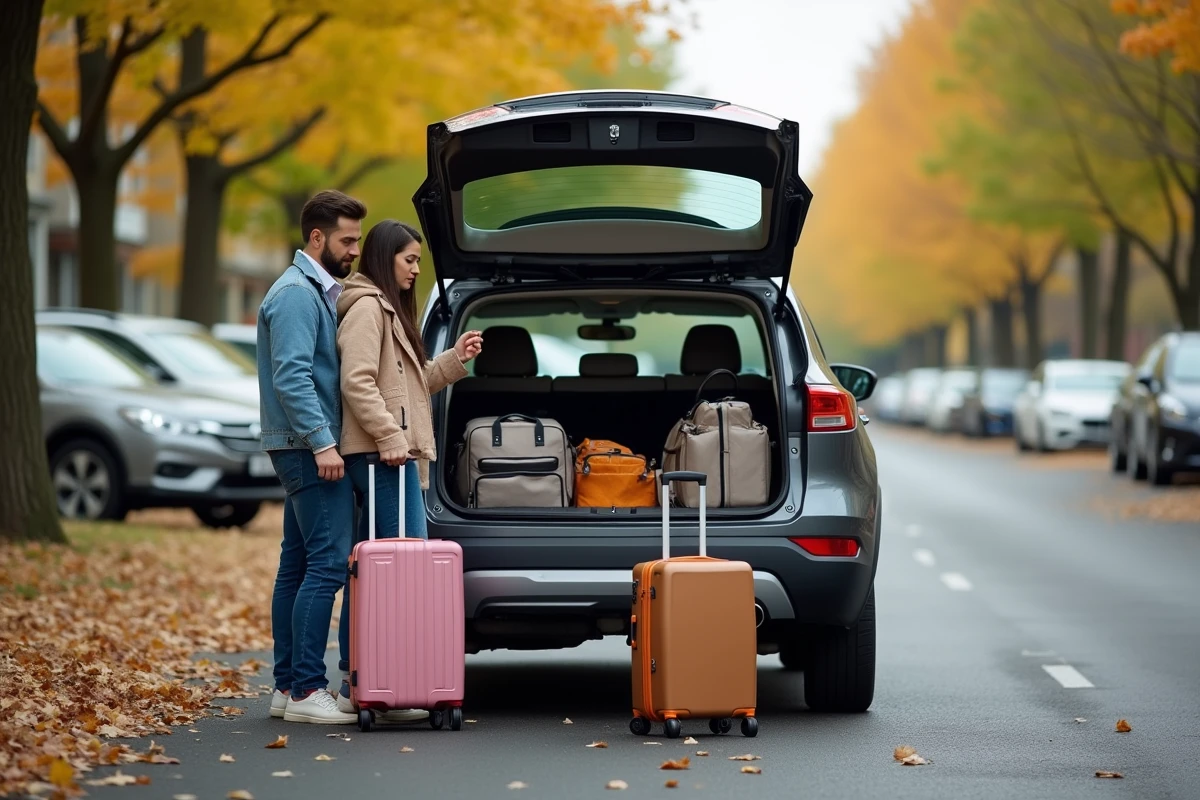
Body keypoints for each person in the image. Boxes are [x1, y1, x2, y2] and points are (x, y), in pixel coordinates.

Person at [333, 219, 482, 717]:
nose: (417, 269)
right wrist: (390, 437)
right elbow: (356, 383)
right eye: (409, 259)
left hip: (393, 457)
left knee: (372, 573)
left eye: (418, 260)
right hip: (383, 458)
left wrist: (454, 359)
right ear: (385, 257)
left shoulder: (388, 310)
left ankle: (361, 681)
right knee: (398, 573)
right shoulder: (367, 310)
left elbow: (408, 389)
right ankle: (379, 683)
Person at [258, 190, 367, 724]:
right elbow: (292, 375)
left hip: (299, 445)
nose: (355, 250)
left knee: (298, 564)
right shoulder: (298, 294)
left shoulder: (312, 290)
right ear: (317, 237)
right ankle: (306, 688)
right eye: (347, 240)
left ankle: (286, 688)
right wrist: (324, 442)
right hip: (308, 448)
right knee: (326, 564)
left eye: (358, 240)